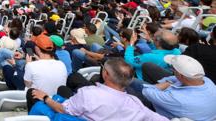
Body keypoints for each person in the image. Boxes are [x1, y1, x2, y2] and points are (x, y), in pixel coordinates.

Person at [31, 58, 168, 121]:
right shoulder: (135, 103)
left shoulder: (88, 94)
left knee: (38, 102)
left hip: (74, 114)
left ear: (105, 74)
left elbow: (63, 109)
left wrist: (45, 97)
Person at [141, 55, 216, 121]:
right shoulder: (206, 80)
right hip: (188, 106)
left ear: (181, 76)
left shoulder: (177, 98)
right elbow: (173, 78)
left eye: (173, 69)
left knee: (135, 83)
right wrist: (166, 82)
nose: (172, 70)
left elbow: (146, 91)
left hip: (167, 109)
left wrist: (164, 85)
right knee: (148, 66)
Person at [23, 35, 67, 108]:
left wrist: (28, 64)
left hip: (38, 102)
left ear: (37, 48)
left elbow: (27, 84)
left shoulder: (31, 66)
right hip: (57, 101)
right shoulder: (61, 64)